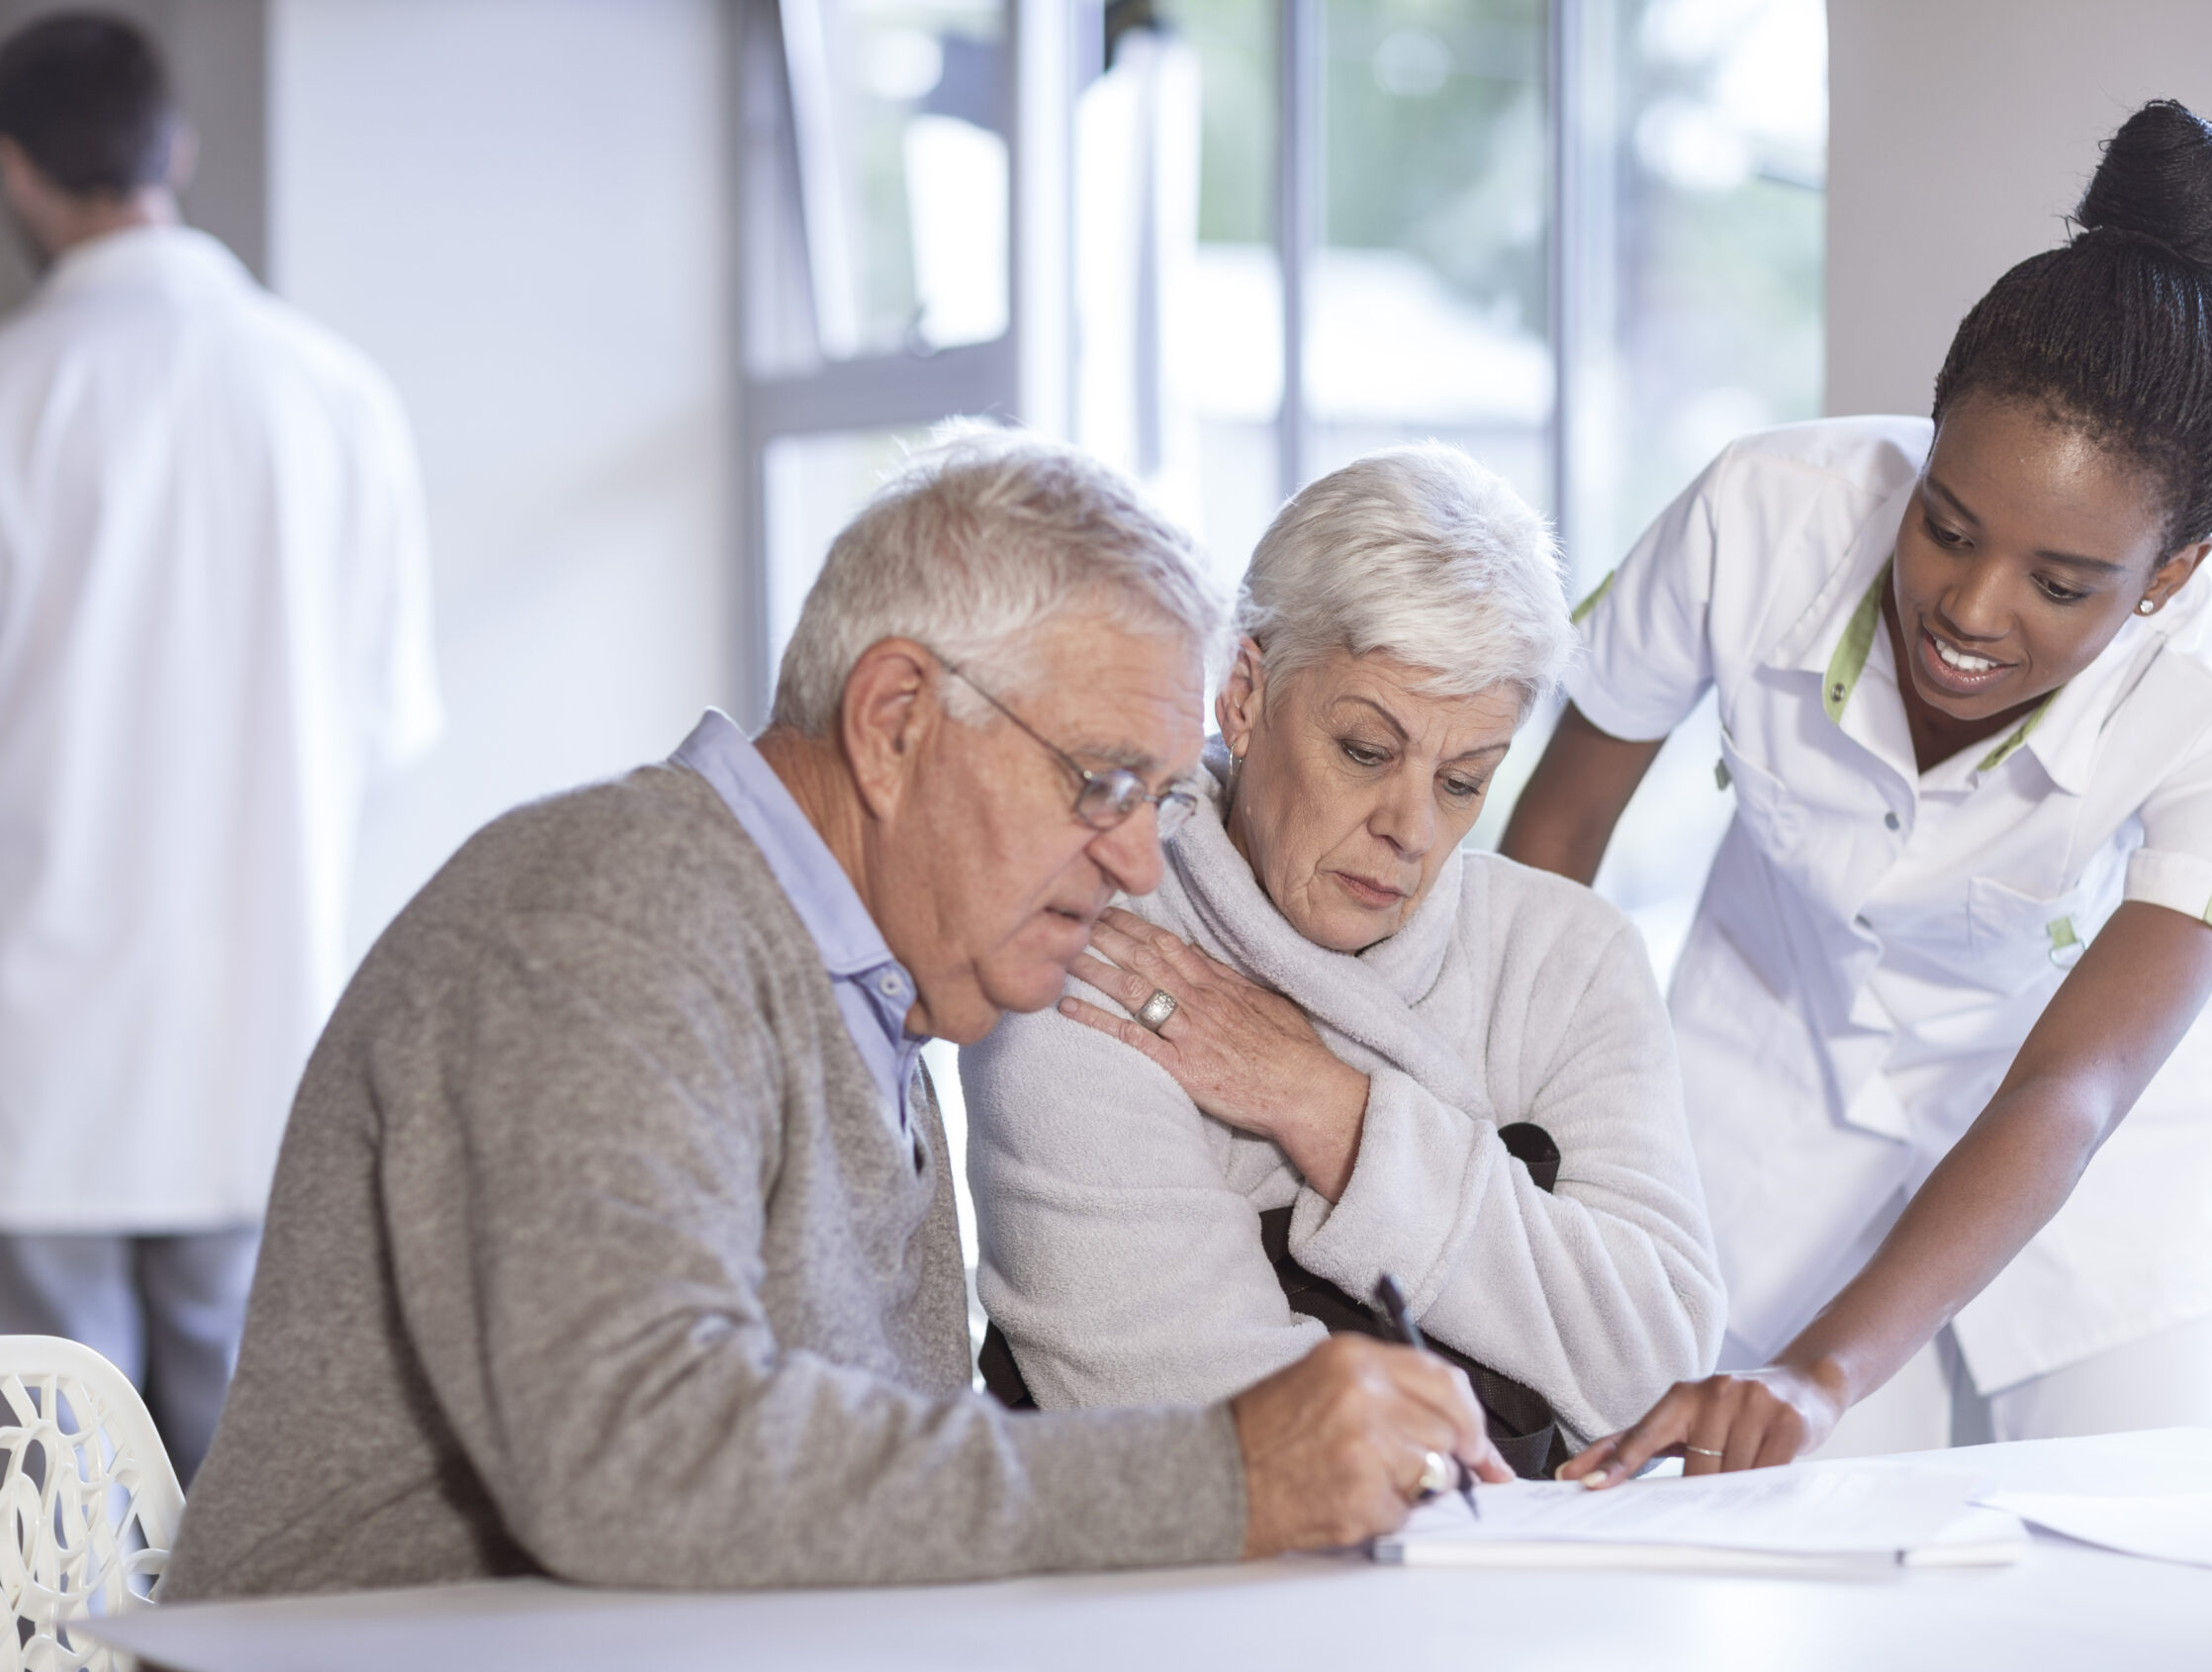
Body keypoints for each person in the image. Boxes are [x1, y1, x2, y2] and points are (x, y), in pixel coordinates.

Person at [161, 431, 1507, 1602]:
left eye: (1151, 798)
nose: (1137, 862)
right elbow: (639, 1453)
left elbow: (846, 1495)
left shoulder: (872, 1000)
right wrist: (1222, 1472)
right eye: (1100, 781)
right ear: (895, 718)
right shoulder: (603, 910)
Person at [1501, 101, 2212, 1478]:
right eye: (1945, 524)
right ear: (1929, 443)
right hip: (1773, 1078)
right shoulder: (1757, 513)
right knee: (1757, 1554)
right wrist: (1516, 1147)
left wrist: (1826, 1370)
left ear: (2173, 573)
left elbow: (2073, 1083)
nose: (1969, 609)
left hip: (2111, 1158)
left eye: (2064, 586)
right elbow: (1557, 829)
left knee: (2126, 1570)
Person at [962, 445, 1726, 1477]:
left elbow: (1654, 1366)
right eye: (1365, 751)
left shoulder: (1568, 957)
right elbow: (1198, 1417)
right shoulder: (1087, 947)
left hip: (1522, 1614)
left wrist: (1326, 1109)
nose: (1410, 828)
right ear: (1243, 693)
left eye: (1463, 781)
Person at [0, 13, 437, 1482]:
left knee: (59, 1507)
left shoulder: (18, 394)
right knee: (249, 1502)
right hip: (258, 1013)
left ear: (16, 169)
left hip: (37, 1035)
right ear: (172, 150)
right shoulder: (338, 397)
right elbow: (390, 722)